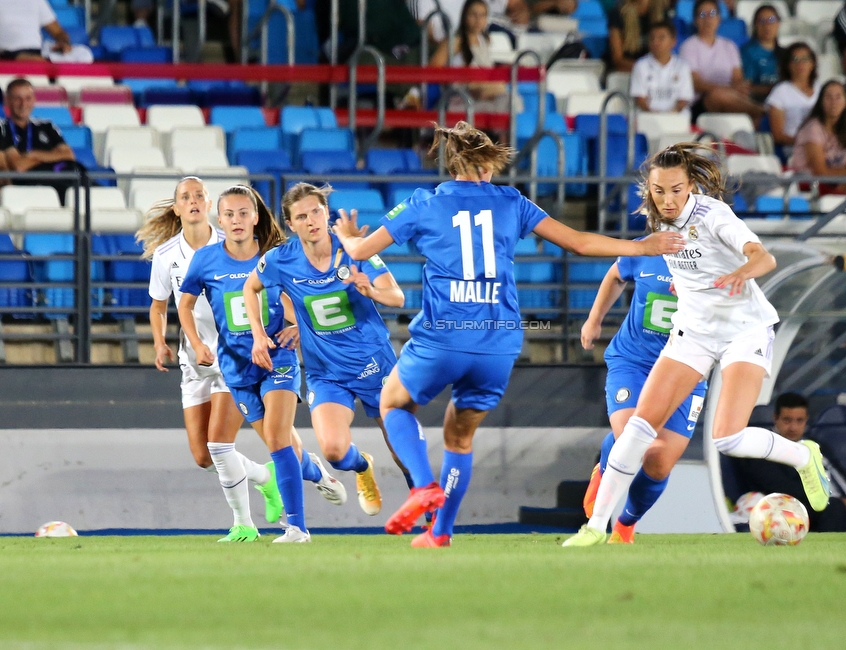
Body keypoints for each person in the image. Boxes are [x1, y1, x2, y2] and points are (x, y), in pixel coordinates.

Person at [331, 121, 685, 547]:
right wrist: (640, 247)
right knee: (459, 436)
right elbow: (577, 243)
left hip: (445, 334)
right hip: (498, 344)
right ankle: (439, 534)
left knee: (393, 402)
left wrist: (349, 237)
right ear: (488, 166)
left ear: (452, 163)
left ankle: (424, 486)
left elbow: (360, 253)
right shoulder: (512, 201)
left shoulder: (424, 202)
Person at [561, 143, 831, 547]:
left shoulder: (714, 216)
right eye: (659, 191)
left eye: (676, 190)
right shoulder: (657, 223)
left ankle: (803, 455)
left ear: (691, 186)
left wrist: (743, 271)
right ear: (648, 189)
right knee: (637, 428)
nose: (667, 200)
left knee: (728, 438)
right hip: (693, 333)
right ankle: (595, 528)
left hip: (744, 330)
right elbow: (618, 266)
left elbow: (764, 257)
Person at [179, 185, 345, 544]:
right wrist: (195, 345)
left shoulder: (278, 256)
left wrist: (299, 326)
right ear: (219, 220)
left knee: (276, 438)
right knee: (282, 446)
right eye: (229, 215)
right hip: (236, 368)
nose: (236, 220)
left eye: (243, 213)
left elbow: (299, 296)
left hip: (277, 358)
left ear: (256, 217)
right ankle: (315, 472)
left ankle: (297, 528)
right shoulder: (205, 260)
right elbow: (185, 305)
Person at [140, 177, 284, 543]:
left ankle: (244, 523)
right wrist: (159, 343)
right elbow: (159, 306)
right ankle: (266, 478)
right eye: (185, 197)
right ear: (176, 208)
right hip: (193, 361)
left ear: (209, 206)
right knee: (203, 456)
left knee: (220, 445)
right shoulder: (166, 254)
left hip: (232, 357)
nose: (193, 201)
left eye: (199, 195)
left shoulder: (232, 243)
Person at [243, 183, 399, 519]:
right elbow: (250, 287)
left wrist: (369, 289)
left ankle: (430, 515)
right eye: (302, 216)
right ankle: (362, 467)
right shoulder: (282, 260)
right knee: (334, 452)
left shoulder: (355, 249)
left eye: (316, 211)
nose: (311, 220)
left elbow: (396, 298)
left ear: (326, 213)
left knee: (401, 445)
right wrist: (259, 334)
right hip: (326, 372)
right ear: (290, 223)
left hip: (375, 363)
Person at [577, 252, 708, 543]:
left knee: (659, 460)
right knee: (632, 436)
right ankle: (607, 462)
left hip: (687, 369)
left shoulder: (719, 260)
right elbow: (615, 274)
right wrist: (594, 319)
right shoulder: (647, 251)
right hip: (634, 362)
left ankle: (625, 524)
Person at [729, 393, 846, 532]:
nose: (793, 427)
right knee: (835, 509)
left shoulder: (815, 445)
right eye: (787, 420)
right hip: (811, 509)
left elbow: (842, 473)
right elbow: (778, 485)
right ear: (775, 418)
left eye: (799, 421)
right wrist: (829, 499)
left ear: (806, 421)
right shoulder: (764, 448)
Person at [678, 0, 765, 125]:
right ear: (695, 20)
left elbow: (737, 78)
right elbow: (695, 83)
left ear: (719, 19)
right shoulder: (689, 46)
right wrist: (728, 88)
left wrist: (739, 88)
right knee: (718, 95)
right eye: (702, 14)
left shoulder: (729, 46)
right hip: (701, 102)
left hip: (730, 95)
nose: (708, 19)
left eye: (712, 13)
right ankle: (762, 110)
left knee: (743, 93)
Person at [0, 79, 77, 201]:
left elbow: (69, 155)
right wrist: (51, 156)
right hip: (27, 187)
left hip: (57, 181)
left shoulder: (47, 126)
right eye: (17, 99)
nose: (23, 104)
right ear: (7, 101)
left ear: (34, 100)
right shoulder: (2, 128)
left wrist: (32, 155)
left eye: (28, 98)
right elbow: (19, 166)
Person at [429, 0, 511, 114]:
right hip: (460, 96)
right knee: (499, 94)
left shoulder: (485, 41)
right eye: (473, 15)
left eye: (482, 15)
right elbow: (433, 68)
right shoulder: (456, 41)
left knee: (511, 100)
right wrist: (460, 80)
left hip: (484, 93)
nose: (478, 20)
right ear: (465, 16)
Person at [789, 80, 846, 184]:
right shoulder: (812, 128)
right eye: (828, 97)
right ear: (821, 102)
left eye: (838, 97)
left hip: (841, 183)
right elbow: (820, 172)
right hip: (811, 186)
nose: (833, 102)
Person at [629, 21, 694, 115]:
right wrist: (654, 115)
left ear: (673, 41)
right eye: (652, 38)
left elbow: (684, 99)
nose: (655, 42)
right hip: (648, 117)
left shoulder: (683, 66)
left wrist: (669, 115)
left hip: (676, 118)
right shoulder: (641, 66)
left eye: (661, 38)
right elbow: (640, 99)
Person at [765, 42, 820, 149]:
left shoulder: (821, 89)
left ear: (812, 63)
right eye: (795, 59)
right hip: (793, 148)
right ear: (787, 65)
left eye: (805, 59)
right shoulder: (780, 92)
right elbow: (778, 135)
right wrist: (806, 142)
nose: (800, 64)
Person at [739, 4, 785, 103]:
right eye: (762, 21)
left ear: (778, 24)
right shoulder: (747, 52)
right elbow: (746, 87)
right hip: (756, 101)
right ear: (755, 25)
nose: (767, 25)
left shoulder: (785, 54)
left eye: (772, 20)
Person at [608, 0, 670, 73]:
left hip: (655, 72)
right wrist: (643, 69)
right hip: (626, 72)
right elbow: (617, 59)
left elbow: (665, 52)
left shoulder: (662, 12)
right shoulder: (618, 13)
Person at [0, 0, 71, 60]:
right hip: (5, 57)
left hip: (34, 55)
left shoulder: (36, 1)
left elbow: (58, 32)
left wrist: (64, 43)